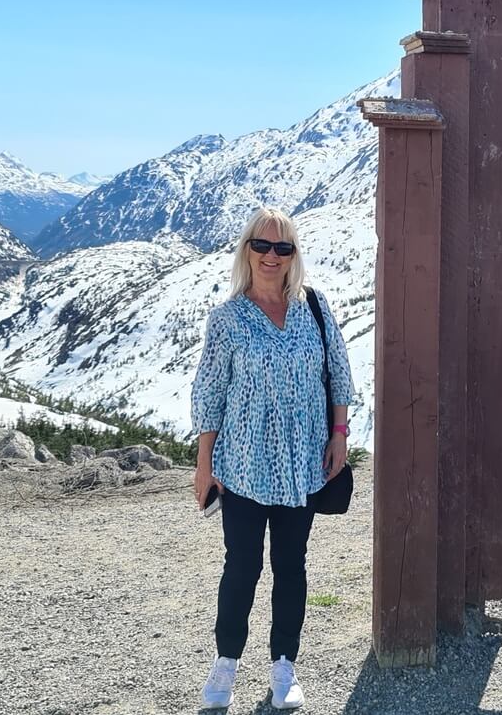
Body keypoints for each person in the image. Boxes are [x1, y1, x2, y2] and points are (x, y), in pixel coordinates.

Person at [190, 206, 354, 710]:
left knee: (292, 566)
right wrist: (204, 464)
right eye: (262, 245)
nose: (271, 256)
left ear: (293, 256)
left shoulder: (315, 309)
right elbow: (210, 393)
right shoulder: (228, 319)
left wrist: (340, 436)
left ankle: (284, 663)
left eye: (283, 248)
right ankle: (226, 664)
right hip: (242, 466)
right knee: (241, 566)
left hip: (303, 464)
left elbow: (340, 377)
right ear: (247, 251)